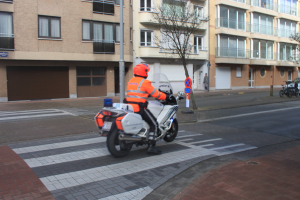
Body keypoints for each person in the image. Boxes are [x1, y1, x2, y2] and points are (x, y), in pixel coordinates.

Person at [124, 63, 167, 154]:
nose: (147, 73)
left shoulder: (131, 81)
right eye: (146, 71)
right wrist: (165, 96)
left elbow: (137, 93)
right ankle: (151, 146)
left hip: (129, 107)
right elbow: (156, 94)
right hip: (139, 108)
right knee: (154, 124)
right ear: (144, 72)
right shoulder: (145, 82)